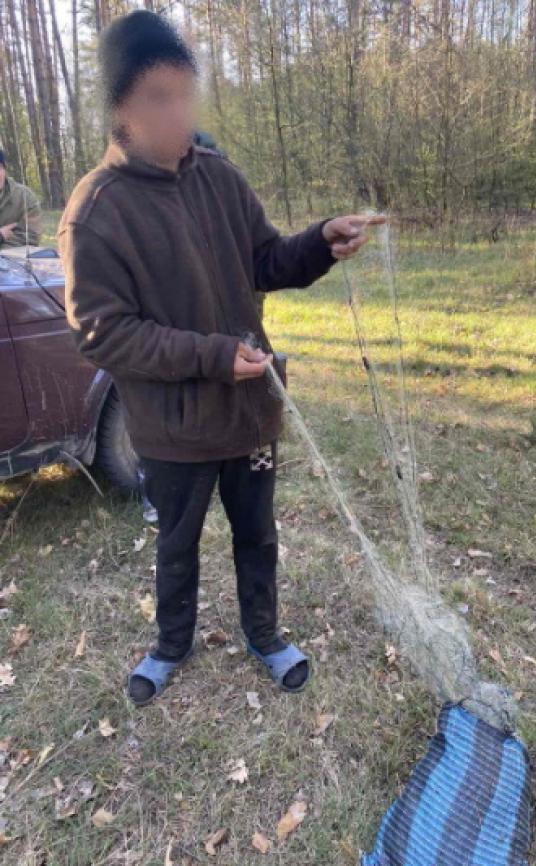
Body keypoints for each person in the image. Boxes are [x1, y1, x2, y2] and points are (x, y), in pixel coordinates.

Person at [58, 10, 385, 707]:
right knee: (177, 543)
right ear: (120, 108)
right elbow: (102, 333)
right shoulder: (96, 212)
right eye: (159, 97)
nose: (179, 112)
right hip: (173, 426)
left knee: (257, 534)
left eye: (185, 93)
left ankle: (263, 633)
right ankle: (170, 644)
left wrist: (321, 241)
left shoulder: (218, 177)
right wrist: (210, 356)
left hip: (248, 410)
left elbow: (266, 259)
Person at [0, 150, 42, 249]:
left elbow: (31, 236)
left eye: (0, 167)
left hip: (11, 256)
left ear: (5, 170)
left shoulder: (24, 197)